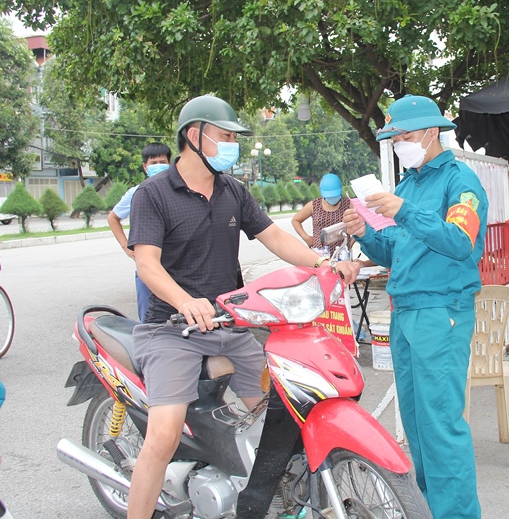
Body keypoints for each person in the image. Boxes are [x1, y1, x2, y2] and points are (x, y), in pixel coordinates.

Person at [125, 94, 360, 518]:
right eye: (226, 135)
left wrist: (325, 263)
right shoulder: (153, 194)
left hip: (230, 327)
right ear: (195, 135)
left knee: (278, 412)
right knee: (163, 434)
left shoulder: (233, 191)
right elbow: (146, 263)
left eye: (235, 136)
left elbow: (275, 237)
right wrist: (184, 300)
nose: (234, 143)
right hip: (171, 330)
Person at [343, 94, 488, 518]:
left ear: (432, 132)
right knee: (418, 428)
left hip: (441, 312)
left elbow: (460, 242)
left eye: (406, 135)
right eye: (394, 137)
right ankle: (426, 510)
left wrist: (405, 212)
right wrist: (365, 233)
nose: (400, 142)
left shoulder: (461, 181)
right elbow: (395, 249)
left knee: (440, 426)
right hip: (406, 312)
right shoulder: (408, 184)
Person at [107, 142, 172, 322]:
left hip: (177, 267)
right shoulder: (137, 192)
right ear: (145, 167)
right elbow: (113, 218)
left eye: (162, 161)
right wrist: (125, 246)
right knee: (148, 321)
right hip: (148, 268)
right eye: (153, 163)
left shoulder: (178, 191)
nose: (158, 165)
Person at [291, 173, 352, 257]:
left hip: (342, 253)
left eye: (334, 196)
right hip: (319, 254)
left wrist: (354, 239)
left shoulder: (349, 205)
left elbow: (362, 222)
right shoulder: (314, 205)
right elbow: (295, 220)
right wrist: (306, 238)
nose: (332, 198)